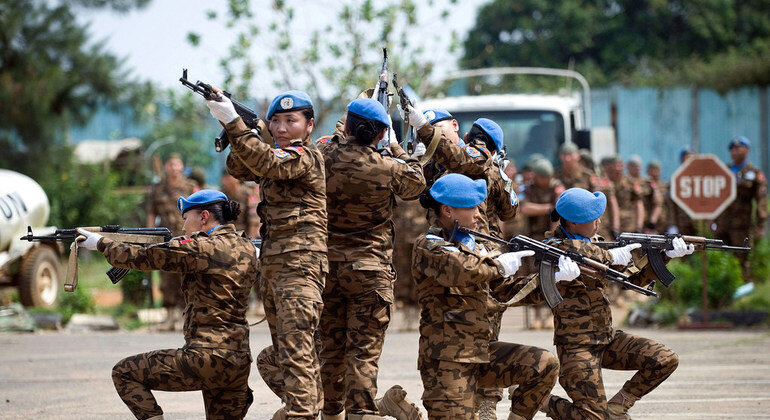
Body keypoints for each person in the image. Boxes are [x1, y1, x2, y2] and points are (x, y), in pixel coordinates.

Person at [77, 190, 259, 420]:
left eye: (186, 218)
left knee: (124, 373)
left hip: (206, 358)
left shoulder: (201, 247)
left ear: (204, 217)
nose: (183, 227)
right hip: (239, 363)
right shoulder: (247, 248)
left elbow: (144, 257)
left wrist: (102, 244)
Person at [206, 90, 327, 419]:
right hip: (277, 268)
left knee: (297, 353)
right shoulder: (274, 154)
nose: (282, 128)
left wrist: (234, 122)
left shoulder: (305, 156)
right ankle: (306, 409)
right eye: (275, 121)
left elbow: (263, 162)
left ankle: (302, 414)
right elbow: (239, 166)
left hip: (300, 268)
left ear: (309, 125)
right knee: (288, 354)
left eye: (291, 120)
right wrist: (242, 129)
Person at [412, 173, 572, 420]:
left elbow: (504, 290)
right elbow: (463, 269)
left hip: (481, 351)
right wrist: (498, 264)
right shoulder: (429, 246)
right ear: (447, 211)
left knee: (544, 364)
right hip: (447, 360)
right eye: (472, 208)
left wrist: (550, 279)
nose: (479, 214)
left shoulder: (474, 245)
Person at [523, 188, 689, 420]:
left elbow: (632, 280)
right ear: (571, 222)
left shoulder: (598, 245)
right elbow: (573, 252)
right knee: (592, 418)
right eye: (592, 217)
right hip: (576, 347)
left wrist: (664, 256)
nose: (599, 221)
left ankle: (618, 406)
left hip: (607, 339)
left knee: (665, 359)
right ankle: (541, 399)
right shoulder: (553, 248)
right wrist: (611, 257)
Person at [404, 106, 519, 417]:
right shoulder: (435, 164)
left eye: (442, 130)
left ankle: (486, 403)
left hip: (478, 256)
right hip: (447, 255)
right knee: (449, 329)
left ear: (461, 131)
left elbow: (510, 210)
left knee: (483, 328)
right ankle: (460, 399)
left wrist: (426, 130)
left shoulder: (475, 158)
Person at [316, 98, 426, 419]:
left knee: (331, 350)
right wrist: (397, 148)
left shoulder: (321, 157)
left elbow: (334, 139)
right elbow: (416, 181)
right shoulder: (387, 167)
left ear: (347, 126)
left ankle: (332, 413)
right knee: (362, 354)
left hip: (327, 271)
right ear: (379, 135)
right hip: (370, 273)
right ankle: (361, 413)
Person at [145, 153, 197, 330]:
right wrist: (150, 236)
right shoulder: (157, 188)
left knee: (185, 274)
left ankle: (185, 316)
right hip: (165, 238)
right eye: (171, 164)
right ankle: (169, 317)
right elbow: (151, 213)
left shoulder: (190, 187)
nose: (174, 168)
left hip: (186, 238)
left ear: (182, 167)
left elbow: (200, 212)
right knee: (166, 275)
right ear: (166, 167)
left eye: (177, 164)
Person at [715, 136, 767, 282]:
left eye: (738, 148)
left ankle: (742, 291)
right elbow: (714, 197)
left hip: (742, 225)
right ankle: (724, 289)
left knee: (742, 258)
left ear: (747, 150)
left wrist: (760, 224)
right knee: (720, 256)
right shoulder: (724, 171)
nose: (734, 152)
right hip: (722, 224)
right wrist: (711, 219)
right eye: (732, 149)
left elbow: (761, 201)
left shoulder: (754, 173)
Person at [666, 147, 697, 235]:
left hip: (698, 223)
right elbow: (670, 205)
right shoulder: (676, 179)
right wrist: (672, 225)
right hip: (681, 222)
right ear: (681, 160)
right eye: (686, 157)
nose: (688, 160)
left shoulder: (701, 178)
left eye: (691, 157)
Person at [220, 171, 261, 238]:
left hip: (243, 236)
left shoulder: (248, 195)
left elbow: (253, 222)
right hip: (225, 237)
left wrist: (250, 241)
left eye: (228, 178)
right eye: (224, 179)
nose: (226, 182)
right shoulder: (221, 195)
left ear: (236, 179)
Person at [642, 160, 666, 233]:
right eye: (651, 169)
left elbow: (659, 202)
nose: (654, 172)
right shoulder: (643, 183)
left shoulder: (663, 186)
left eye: (656, 169)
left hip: (661, 222)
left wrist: (655, 188)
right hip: (646, 221)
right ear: (647, 170)